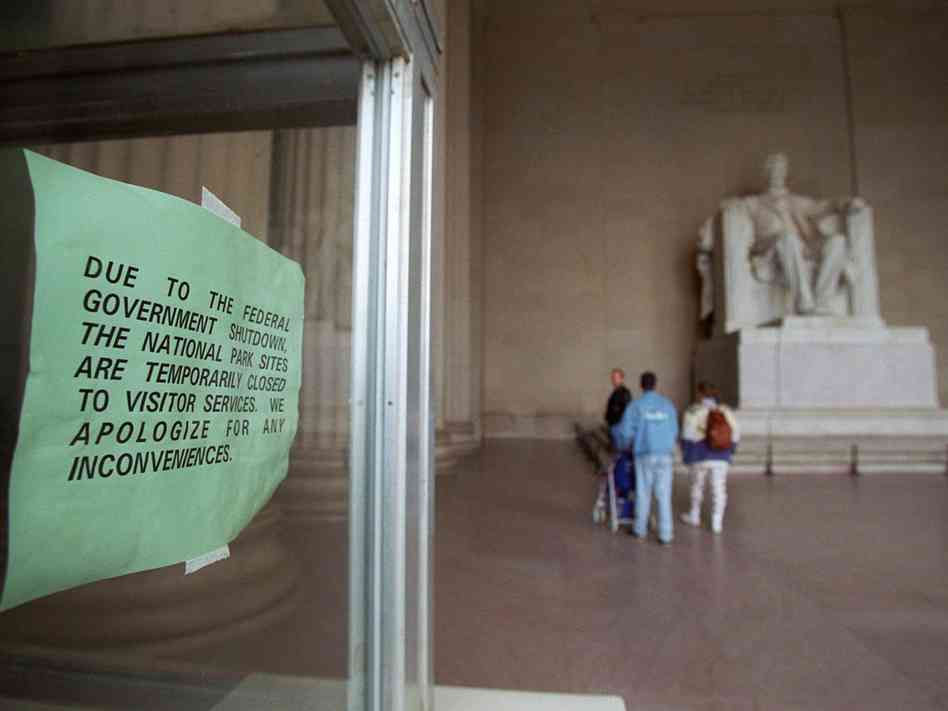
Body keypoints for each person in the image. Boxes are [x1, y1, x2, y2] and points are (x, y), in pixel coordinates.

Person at [612, 371, 678, 544]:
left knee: (643, 492)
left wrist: (622, 445)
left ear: (641, 386)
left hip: (644, 455)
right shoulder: (668, 405)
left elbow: (626, 433)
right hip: (665, 455)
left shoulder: (635, 406)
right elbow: (674, 430)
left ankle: (640, 529)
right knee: (664, 495)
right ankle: (666, 534)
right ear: (656, 385)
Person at [680, 383, 740, 534]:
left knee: (697, 485)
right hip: (721, 455)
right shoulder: (726, 411)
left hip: (700, 455)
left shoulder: (693, 411)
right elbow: (736, 433)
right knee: (719, 488)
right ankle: (717, 522)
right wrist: (730, 451)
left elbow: (687, 435)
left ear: (700, 394)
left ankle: (694, 514)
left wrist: (686, 455)